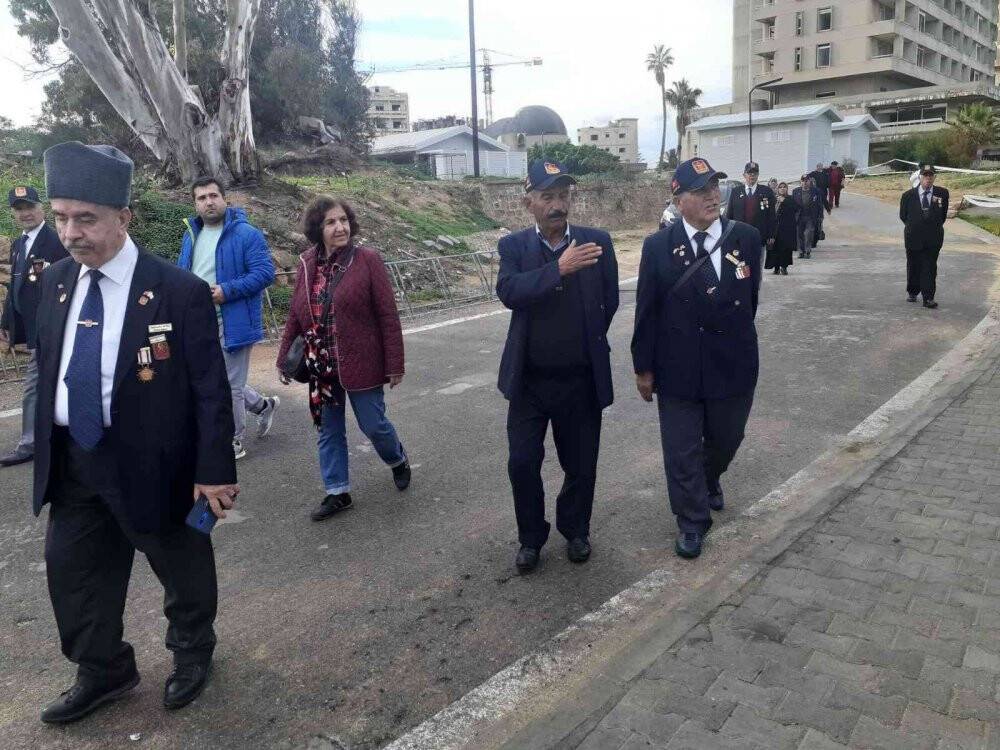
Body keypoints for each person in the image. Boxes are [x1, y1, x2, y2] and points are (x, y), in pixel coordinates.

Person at [32, 142, 238, 724]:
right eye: (62, 216)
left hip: (155, 462)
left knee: (181, 566)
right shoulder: (55, 286)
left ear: (123, 218)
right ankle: (104, 670)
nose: (71, 232)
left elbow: (209, 390)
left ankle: (193, 653)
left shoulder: (177, 291)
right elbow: (46, 373)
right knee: (73, 575)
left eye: (86, 218)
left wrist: (215, 470)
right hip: (76, 461)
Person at [631, 157, 761, 559]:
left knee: (726, 439)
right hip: (678, 367)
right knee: (681, 448)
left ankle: (709, 478)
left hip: (732, 363)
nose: (711, 196)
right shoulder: (658, 247)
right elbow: (646, 311)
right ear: (678, 198)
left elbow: (749, 300)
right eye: (700, 190)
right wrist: (644, 368)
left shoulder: (747, 238)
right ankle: (691, 521)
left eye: (714, 187)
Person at [496, 159, 619, 574]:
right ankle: (531, 538)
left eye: (563, 196)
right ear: (528, 201)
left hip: (580, 380)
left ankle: (576, 529)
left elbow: (610, 301)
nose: (557, 205)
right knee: (522, 463)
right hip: (529, 382)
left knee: (581, 464)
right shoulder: (514, 247)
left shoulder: (596, 241)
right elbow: (510, 292)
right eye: (547, 196)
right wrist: (559, 269)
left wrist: (581, 342)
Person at [276, 196, 410, 521]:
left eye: (343, 220)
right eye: (331, 222)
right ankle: (337, 492)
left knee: (373, 424)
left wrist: (394, 364)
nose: (340, 227)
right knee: (329, 430)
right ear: (317, 229)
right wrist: (283, 358)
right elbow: (296, 314)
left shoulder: (367, 260)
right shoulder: (308, 263)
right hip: (321, 366)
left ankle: (397, 459)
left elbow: (387, 315)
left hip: (361, 360)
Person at [178, 177, 278, 460]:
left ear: (225, 199)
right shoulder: (191, 234)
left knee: (228, 385)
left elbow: (264, 274)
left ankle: (233, 440)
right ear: (195, 204)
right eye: (201, 198)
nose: (208, 202)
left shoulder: (247, 234)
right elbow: (182, 273)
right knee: (211, 378)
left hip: (233, 319)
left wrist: (226, 291)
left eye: (213, 195)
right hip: (199, 320)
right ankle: (262, 406)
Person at [0, 185, 69, 467]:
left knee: (33, 384)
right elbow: (17, 285)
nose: (25, 213)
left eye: (29, 206)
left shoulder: (57, 241)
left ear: (42, 208)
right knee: (47, 380)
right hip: (31, 326)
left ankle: (29, 443)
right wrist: (5, 320)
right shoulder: (19, 245)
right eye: (18, 209)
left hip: (52, 325)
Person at [899, 164, 949, 309]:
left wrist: (930, 226)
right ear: (919, 177)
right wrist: (916, 225)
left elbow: (943, 215)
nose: (928, 178)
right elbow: (903, 216)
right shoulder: (908, 196)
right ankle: (913, 291)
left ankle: (928, 297)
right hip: (913, 237)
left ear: (934, 177)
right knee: (914, 264)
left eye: (930, 175)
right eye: (925, 175)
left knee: (929, 266)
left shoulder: (942, 193)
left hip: (933, 238)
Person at [725, 161, 776, 255]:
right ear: (744, 175)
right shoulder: (736, 191)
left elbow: (771, 215)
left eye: (755, 173)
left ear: (758, 175)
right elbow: (730, 214)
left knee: (756, 266)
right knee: (741, 265)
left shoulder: (766, 191)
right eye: (749, 173)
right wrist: (727, 233)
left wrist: (771, 234)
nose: (752, 175)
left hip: (759, 235)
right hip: (739, 236)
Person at [765, 182, 799, 276]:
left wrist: (785, 201)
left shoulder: (790, 199)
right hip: (775, 229)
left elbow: (796, 208)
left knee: (785, 249)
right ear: (777, 189)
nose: (782, 189)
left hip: (786, 229)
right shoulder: (774, 199)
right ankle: (776, 268)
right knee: (774, 248)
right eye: (780, 187)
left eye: (784, 187)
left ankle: (784, 267)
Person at [792, 175, 825, 259]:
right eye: (803, 181)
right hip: (799, 216)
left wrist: (821, 216)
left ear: (810, 182)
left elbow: (820, 205)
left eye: (807, 180)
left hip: (810, 217)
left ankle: (807, 250)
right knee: (799, 235)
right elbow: (792, 205)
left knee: (808, 233)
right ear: (800, 182)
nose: (805, 182)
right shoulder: (795, 191)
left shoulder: (816, 191)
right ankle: (801, 251)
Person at [808, 163, 830, 245]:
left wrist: (828, 209)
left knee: (818, 226)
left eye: (813, 182)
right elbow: (806, 175)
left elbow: (824, 200)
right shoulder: (813, 173)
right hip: (809, 213)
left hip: (819, 211)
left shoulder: (824, 173)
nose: (812, 183)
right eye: (811, 182)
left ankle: (815, 240)